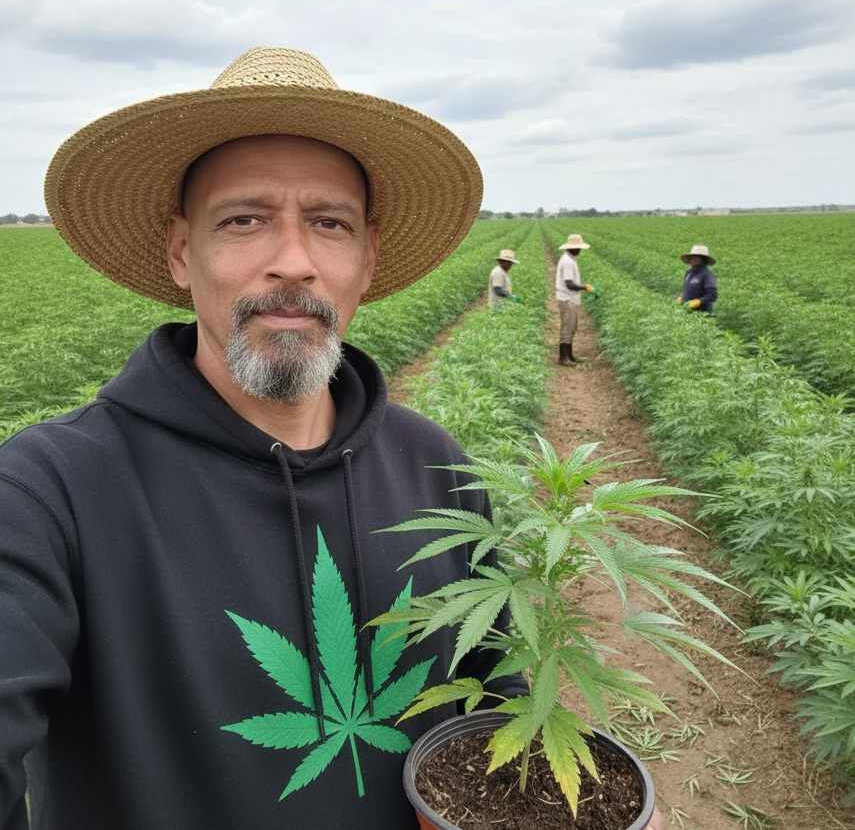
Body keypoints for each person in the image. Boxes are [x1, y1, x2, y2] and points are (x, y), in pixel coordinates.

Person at [1, 47, 665, 830]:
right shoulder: (47, 491)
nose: (294, 261)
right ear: (182, 250)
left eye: (329, 223)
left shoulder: (436, 466)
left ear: (367, 256)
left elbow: (496, 697)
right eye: (244, 219)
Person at [555, 233, 594, 365]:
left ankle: (570, 356)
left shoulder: (570, 259)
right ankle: (563, 358)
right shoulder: (567, 261)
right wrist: (584, 287)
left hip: (570, 298)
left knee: (571, 327)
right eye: (577, 247)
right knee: (567, 327)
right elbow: (569, 283)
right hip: (567, 299)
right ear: (571, 247)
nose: (579, 250)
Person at [676, 243, 718, 315]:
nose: (694, 259)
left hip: (703, 314)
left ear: (703, 260)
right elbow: (691, 291)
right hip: (688, 311)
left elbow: (712, 295)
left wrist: (699, 301)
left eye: (697, 257)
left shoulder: (707, 274)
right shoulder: (689, 273)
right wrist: (683, 298)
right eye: (692, 257)